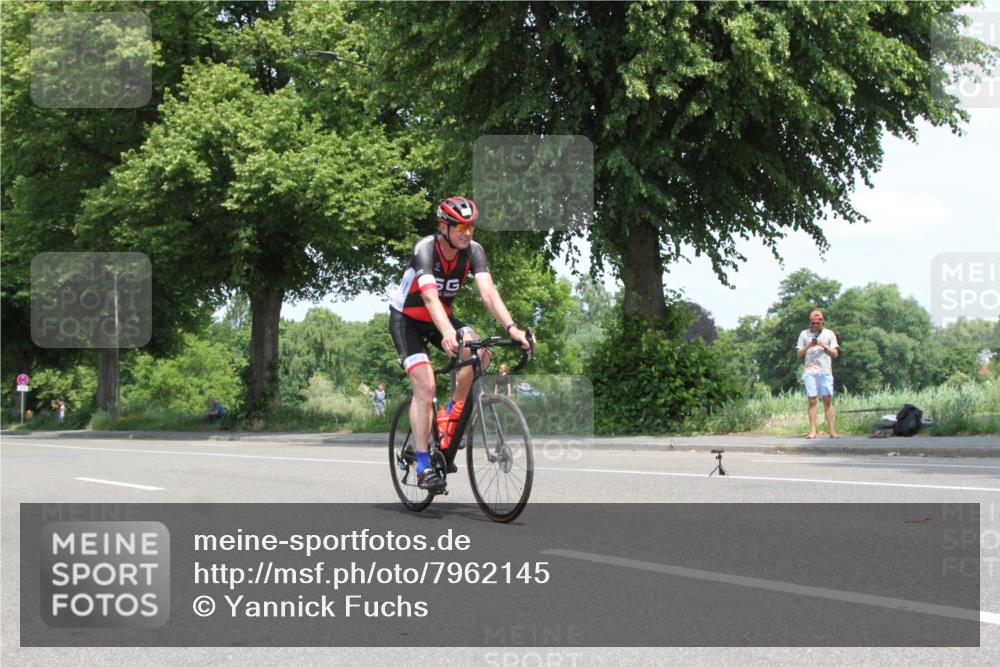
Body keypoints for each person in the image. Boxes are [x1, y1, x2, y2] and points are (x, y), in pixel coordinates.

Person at [389, 196, 531, 491]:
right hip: (408, 322)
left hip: (442, 318)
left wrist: (513, 328)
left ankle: (452, 412)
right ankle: (424, 465)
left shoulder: (473, 252)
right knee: (425, 386)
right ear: (444, 226)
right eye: (461, 226)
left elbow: (489, 294)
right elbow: (429, 297)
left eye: (471, 226)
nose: (467, 232)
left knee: (482, 351)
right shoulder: (424, 249)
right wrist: (445, 332)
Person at [796, 309, 839, 439]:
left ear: (822, 322)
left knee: (827, 400)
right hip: (810, 372)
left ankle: (832, 431)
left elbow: (835, 354)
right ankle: (813, 431)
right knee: (812, 400)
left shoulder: (829, 334)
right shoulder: (804, 334)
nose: (815, 326)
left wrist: (823, 346)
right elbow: (798, 354)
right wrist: (809, 345)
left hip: (825, 371)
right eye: (813, 323)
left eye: (817, 323)